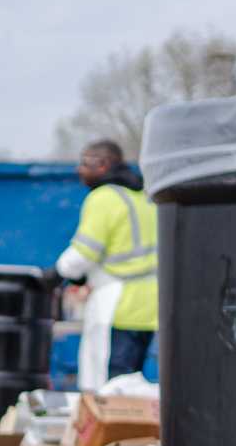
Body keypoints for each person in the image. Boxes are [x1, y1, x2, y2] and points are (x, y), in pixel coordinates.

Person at [48, 139, 157, 389]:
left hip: (117, 304)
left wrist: (56, 274)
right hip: (148, 308)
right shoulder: (142, 198)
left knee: (107, 387)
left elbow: (85, 252)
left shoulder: (104, 198)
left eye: (86, 163)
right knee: (130, 386)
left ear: (104, 165)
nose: (79, 169)